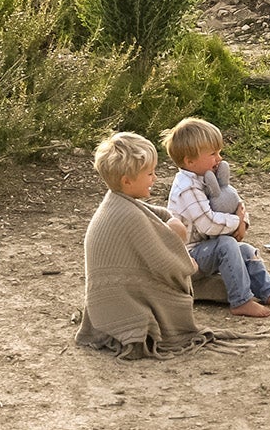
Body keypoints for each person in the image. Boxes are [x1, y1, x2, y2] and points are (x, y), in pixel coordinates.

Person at [74, 130, 202, 356]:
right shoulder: (127, 216)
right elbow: (163, 261)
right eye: (150, 173)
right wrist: (187, 264)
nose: (155, 178)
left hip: (105, 302)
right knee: (175, 289)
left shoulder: (117, 202)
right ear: (127, 180)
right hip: (119, 301)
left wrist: (172, 222)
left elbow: (155, 213)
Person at [164, 116, 270, 318]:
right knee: (226, 244)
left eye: (219, 152)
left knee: (245, 250)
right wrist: (237, 222)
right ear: (190, 161)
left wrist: (243, 222)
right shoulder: (187, 188)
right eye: (213, 154)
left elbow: (233, 202)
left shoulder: (207, 177)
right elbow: (208, 224)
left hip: (205, 249)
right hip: (189, 257)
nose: (219, 158)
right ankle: (240, 300)